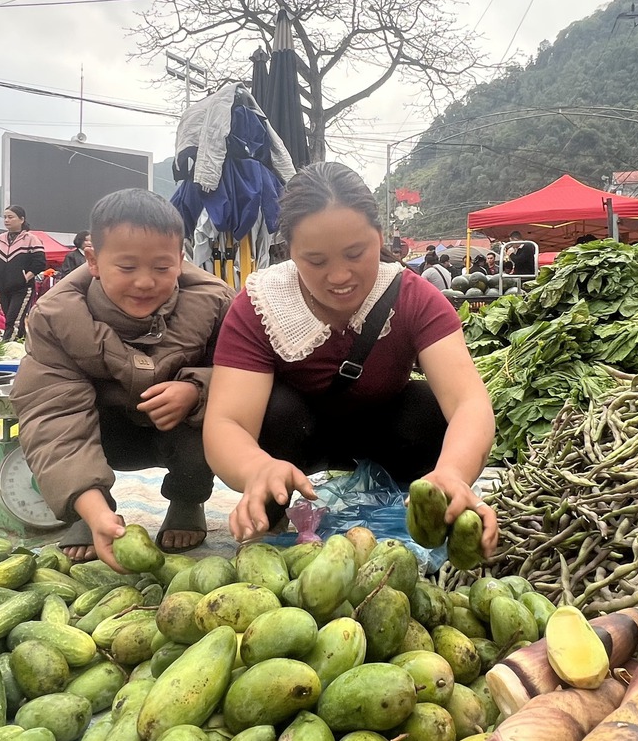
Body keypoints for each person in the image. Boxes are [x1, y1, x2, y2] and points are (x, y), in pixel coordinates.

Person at [203, 162, 498, 558]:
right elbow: (226, 422)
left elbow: (469, 403)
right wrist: (256, 468)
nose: (339, 276)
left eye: (355, 253)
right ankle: (269, 509)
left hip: (387, 436)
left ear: (379, 237)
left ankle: (422, 514)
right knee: (276, 411)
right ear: (289, 252)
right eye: (316, 261)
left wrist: (453, 472)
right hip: (298, 439)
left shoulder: (414, 298)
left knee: (427, 409)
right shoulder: (261, 304)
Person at [11, 189, 234, 565]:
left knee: (211, 417)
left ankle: (187, 498)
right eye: (127, 268)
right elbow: (53, 417)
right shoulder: (56, 318)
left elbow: (243, 375)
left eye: (161, 268)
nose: (145, 282)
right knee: (55, 431)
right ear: (93, 262)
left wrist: (196, 390)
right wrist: (94, 510)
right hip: (106, 433)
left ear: (180, 262)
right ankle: (89, 511)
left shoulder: (216, 303)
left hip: (177, 432)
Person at [0, 205, 46, 342]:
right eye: (5, 217)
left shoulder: (31, 239)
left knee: (13, 321)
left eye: (10, 217)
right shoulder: (0, 238)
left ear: (21, 219)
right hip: (3, 287)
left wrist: (26, 277)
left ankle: (7, 346)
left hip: (22, 288)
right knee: (9, 318)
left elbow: (40, 262)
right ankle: (23, 346)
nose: (6, 220)